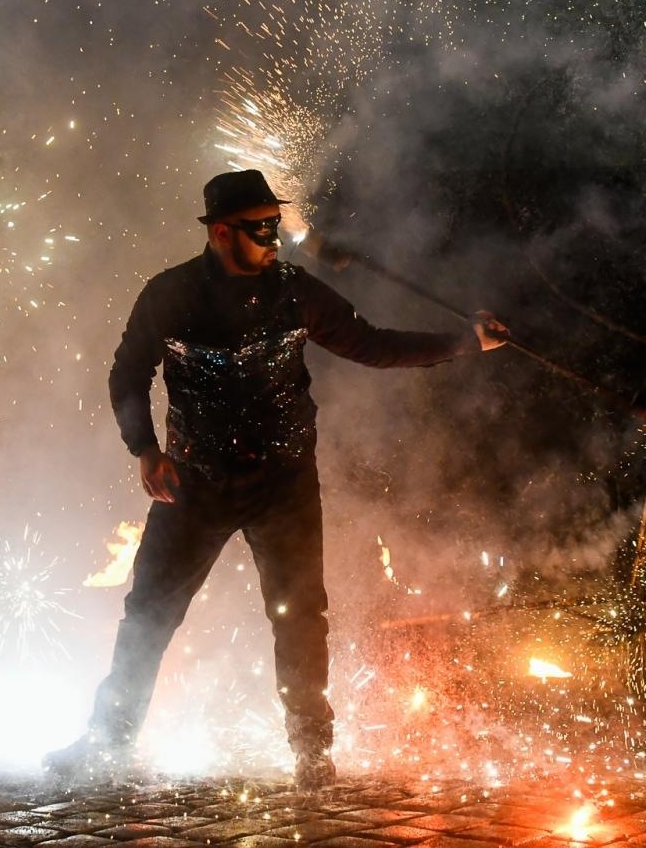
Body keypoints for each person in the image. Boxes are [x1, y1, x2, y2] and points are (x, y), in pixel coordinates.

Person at [45, 169, 508, 789]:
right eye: (258, 227)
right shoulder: (170, 294)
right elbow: (127, 373)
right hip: (194, 481)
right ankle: (106, 745)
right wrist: (145, 449)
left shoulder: (296, 291)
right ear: (219, 234)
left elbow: (372, 345)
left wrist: (465, 342)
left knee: (299, 617)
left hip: (283, 482)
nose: (272, 237)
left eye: (274, 224)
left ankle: (313, 756)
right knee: (148, 615)